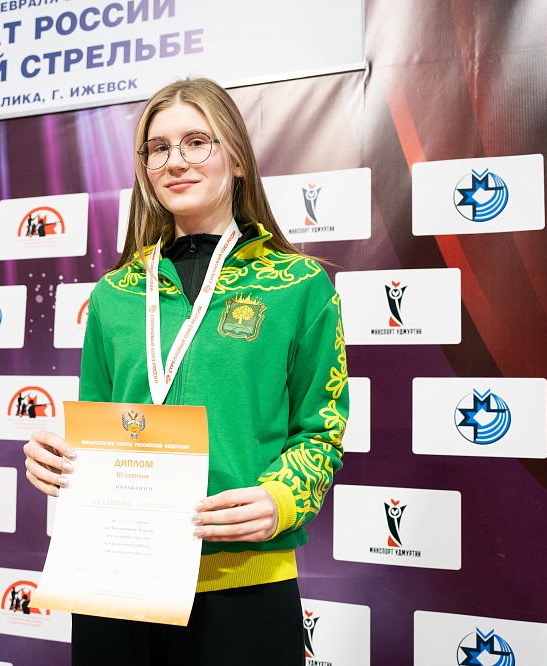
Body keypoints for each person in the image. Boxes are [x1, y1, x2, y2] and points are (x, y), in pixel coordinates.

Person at [23, 76, 348, 665]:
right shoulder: (115, 293)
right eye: (159, 148)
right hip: (114, 578)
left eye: (197, 142)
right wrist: (57, 458)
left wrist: (281, 498)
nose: (176, 161)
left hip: (241, 580)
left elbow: (321, 431)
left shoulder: (298, 286)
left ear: (238, 159)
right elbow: (97, 427)